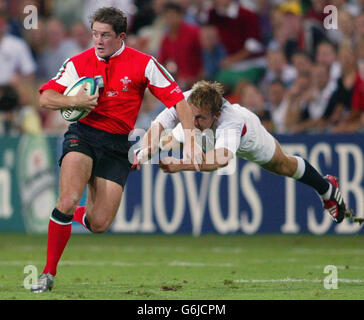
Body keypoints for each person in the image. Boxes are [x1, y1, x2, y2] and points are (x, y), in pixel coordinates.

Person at [31, 7, 202, 293]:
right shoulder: (77, 62)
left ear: (121, 36)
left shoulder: (144, 63)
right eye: (95, 34)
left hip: (118, 146)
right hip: (82, 136)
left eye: (105, 35)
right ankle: (48, 272)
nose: (98, 41)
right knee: (69, 197)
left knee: (98, 223)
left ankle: (68, 214)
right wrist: (74, 100)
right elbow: (46, 97)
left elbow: (179, 102)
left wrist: (191, 139)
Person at [135, 80, 350, 236]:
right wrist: (141, 153)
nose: (193, 121)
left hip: (248, 138)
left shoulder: (231, 120)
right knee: (165, 142)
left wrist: (181, 165)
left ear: (216, 115)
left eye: (200, 117)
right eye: (192, 115)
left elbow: (220, 160)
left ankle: (326, 188)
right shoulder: (186, 102)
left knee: (282, 165)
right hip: (206, 134)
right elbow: (158, 125)